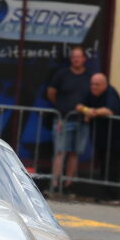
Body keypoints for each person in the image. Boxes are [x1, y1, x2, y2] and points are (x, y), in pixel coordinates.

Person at [45, 45, 96, 193]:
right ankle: (55, 184)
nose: (76, 59)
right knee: (60, 151)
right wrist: (62, 107)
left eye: (78, 57)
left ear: (84, 59)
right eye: (73, 56)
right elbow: (51, 93)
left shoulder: (89, 76)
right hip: (63, 119)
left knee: (75, 153)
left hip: (82, 121)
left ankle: (68, 184)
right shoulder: (62, 74)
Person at [74, 73, 120, 201]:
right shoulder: (91, 93)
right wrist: (86, 110)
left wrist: (93, 113)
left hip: (115, 137)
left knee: (112, 166)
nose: (94, 87)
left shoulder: (110, 92)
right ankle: (104, 194)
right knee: (102, 164)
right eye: (92, 84)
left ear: (104, 84)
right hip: (100, 137)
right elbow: (79, 106)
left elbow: (109, 110)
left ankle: (113, 196)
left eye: (97, 84)